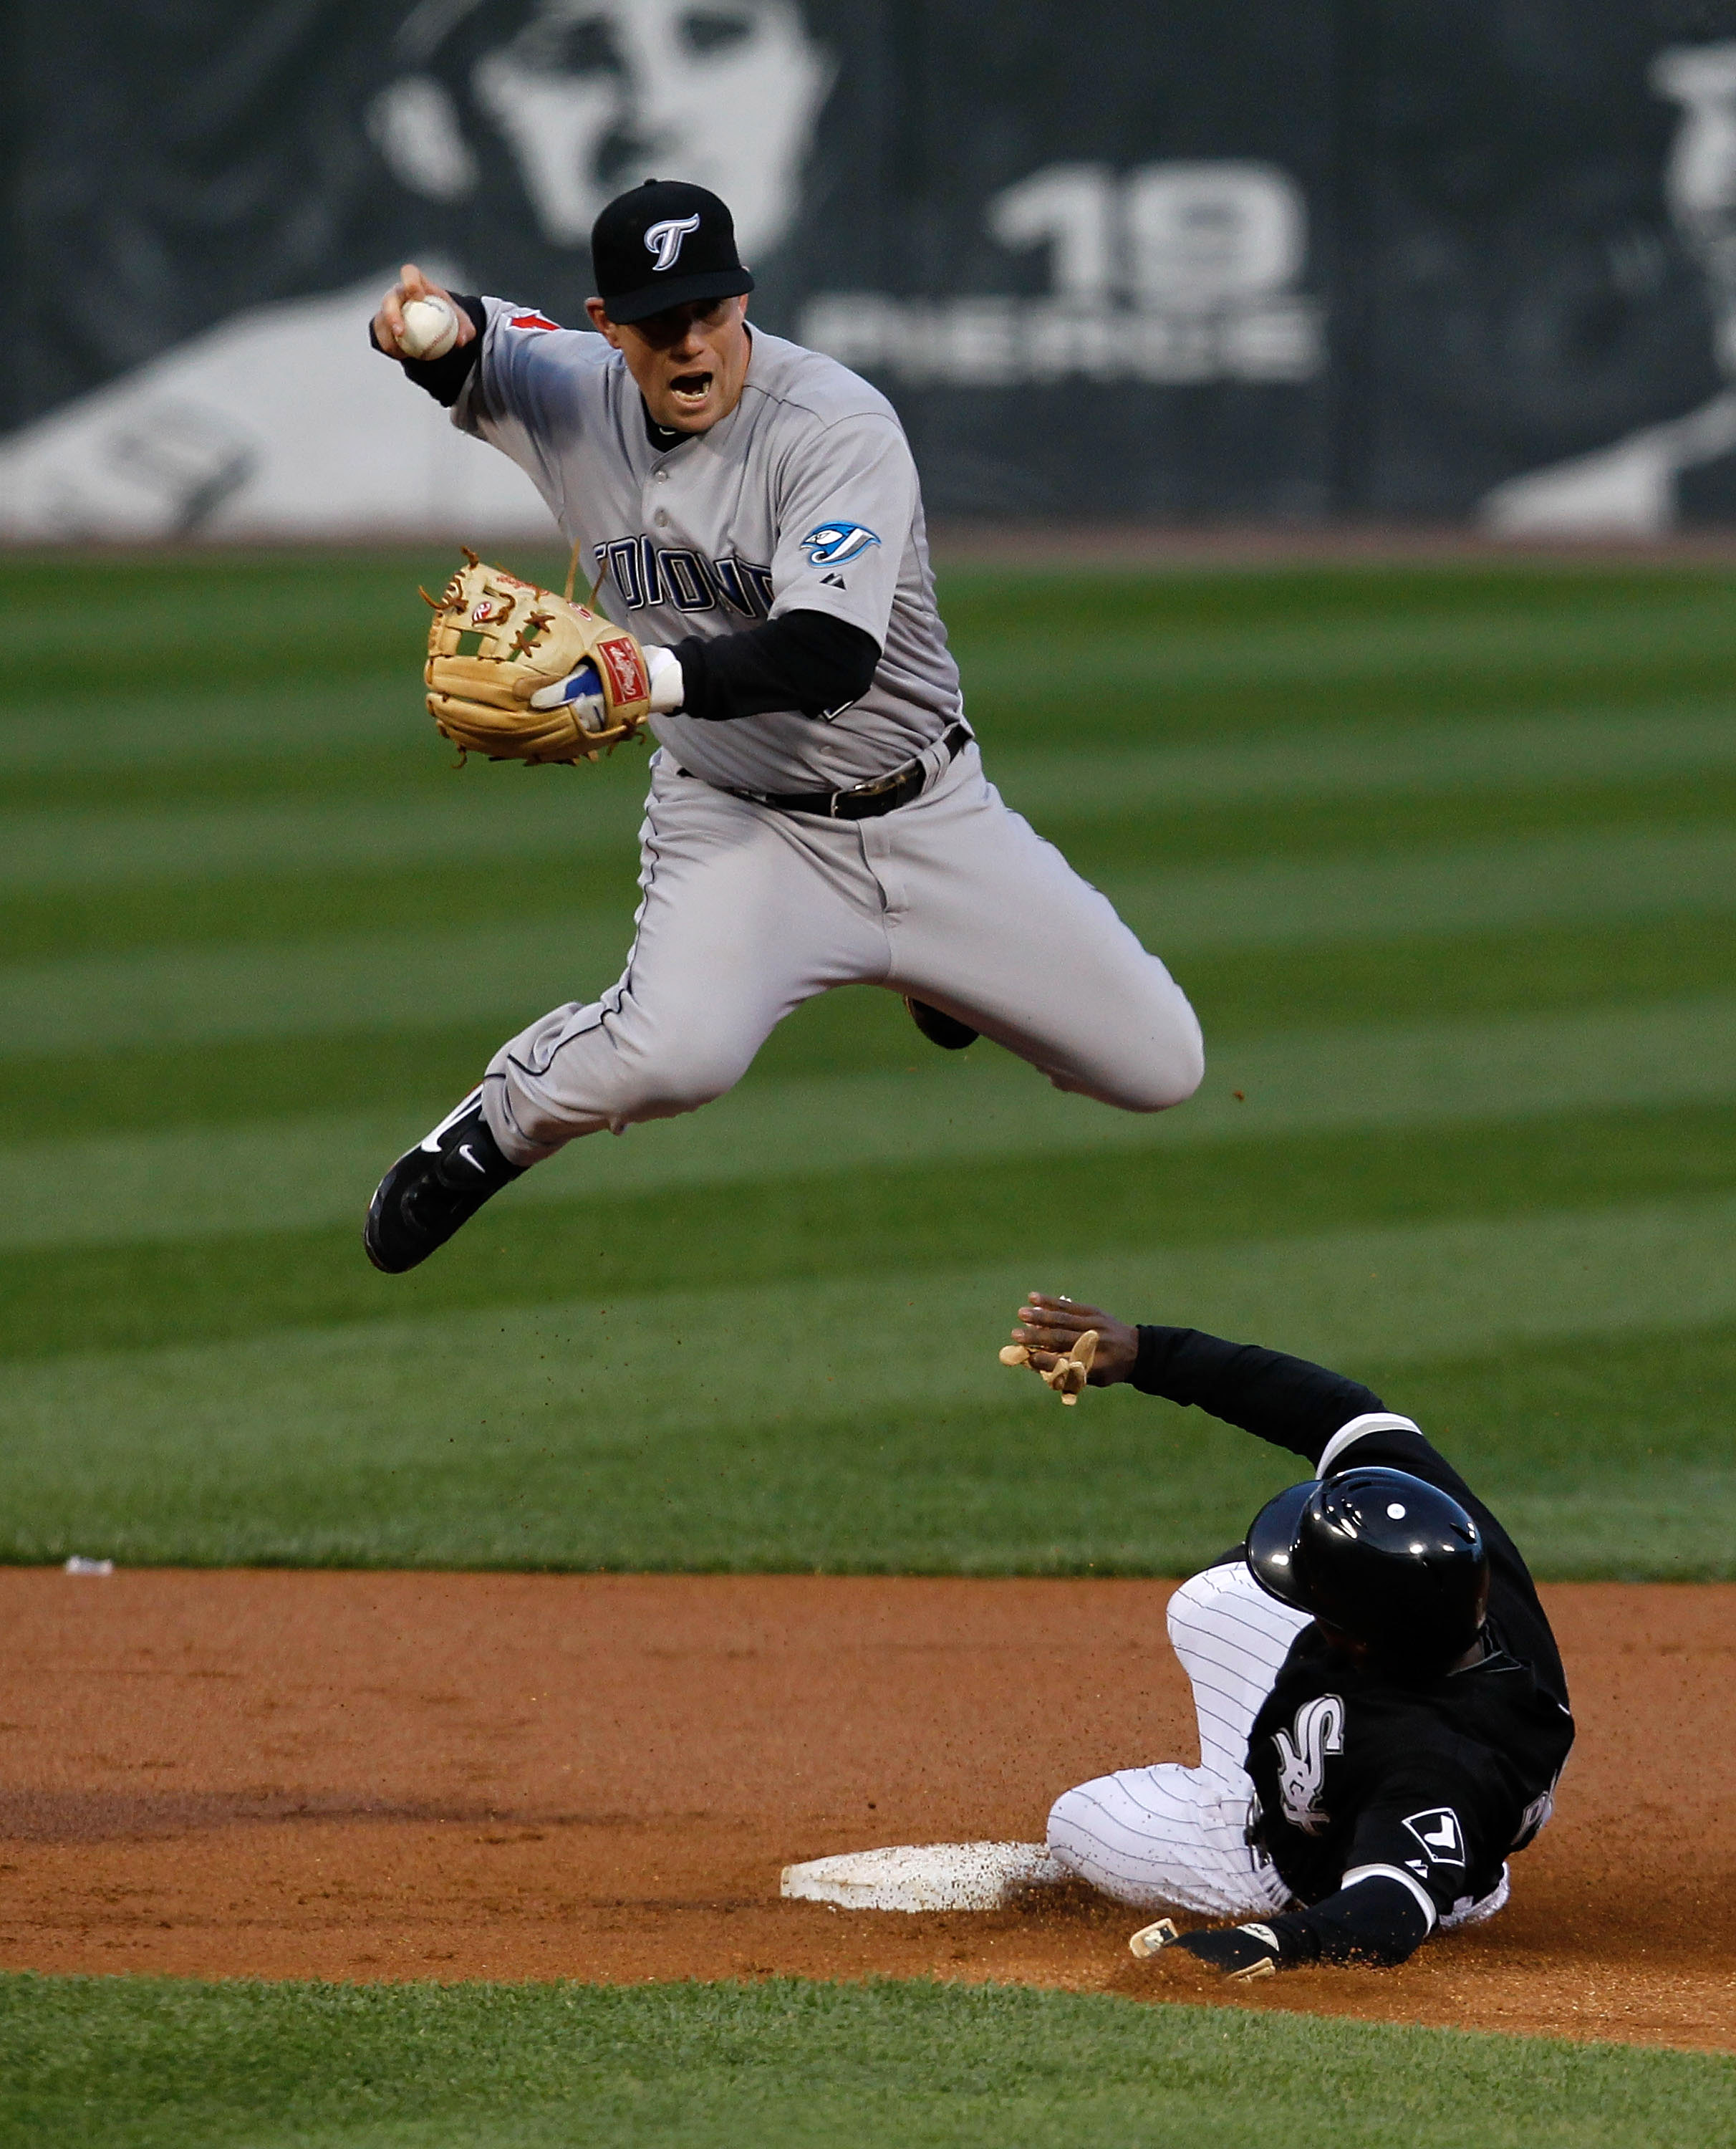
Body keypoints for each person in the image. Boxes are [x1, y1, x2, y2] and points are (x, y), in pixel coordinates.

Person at [360, 178, 1205, 1273]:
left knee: (1158, 1067)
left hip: (929, 811)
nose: (692, 342)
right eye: (659, 324)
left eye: (712, 312)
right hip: (738, 820)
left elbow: (825, 657)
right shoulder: (569, 385)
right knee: (676, 1058)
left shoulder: (834, 426)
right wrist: (422, 333)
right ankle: (495, 1125)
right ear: (605, 326)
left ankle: (936, 972)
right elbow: (476, 344)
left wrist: (638, 675)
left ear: (744, 300)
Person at [1006, 1292, 1574, 1976]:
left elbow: (1387, 1913)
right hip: (1409, 1742)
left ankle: (1255, 1837)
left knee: (1076, 1822)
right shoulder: (1451, 1550)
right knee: (1217, 1596)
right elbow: (1342, 1412)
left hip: (1291, 1870)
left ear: (1356, 1642)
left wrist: (1269, 1940)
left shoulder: (1429, 1766)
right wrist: (1148, 1352)